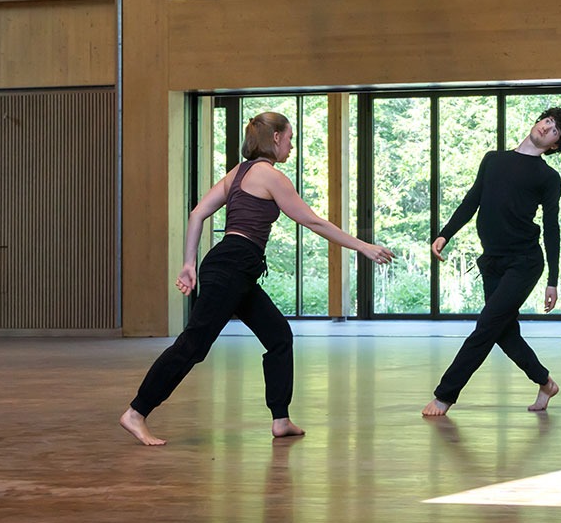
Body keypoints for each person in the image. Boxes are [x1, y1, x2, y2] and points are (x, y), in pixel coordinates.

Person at [119, 110, 394, 446]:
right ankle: (136, 412)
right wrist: (363, 246)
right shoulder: (271, 176)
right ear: (275, 137)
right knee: (194, 344)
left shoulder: (237, 173)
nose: (291, 146)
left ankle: (281, 419)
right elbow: (313, 221)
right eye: (290, 138)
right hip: (232, 267)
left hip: (235, 268)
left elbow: (197, 213)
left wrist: (189, 263)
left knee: (278, 336)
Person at [421, 107, 561, 417]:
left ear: (555, 145)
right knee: (504, 333)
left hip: (524, 263)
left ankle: (445, 395)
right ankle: (545, 382)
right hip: (492, 261)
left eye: (555, 130)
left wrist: (553, 280)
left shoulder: (548, 177)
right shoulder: (493, 160)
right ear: (538, 120)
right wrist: (445, 234)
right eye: (547, 121)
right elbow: (472, 200)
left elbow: (552, 228)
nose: (547, 128)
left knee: (485, 328)